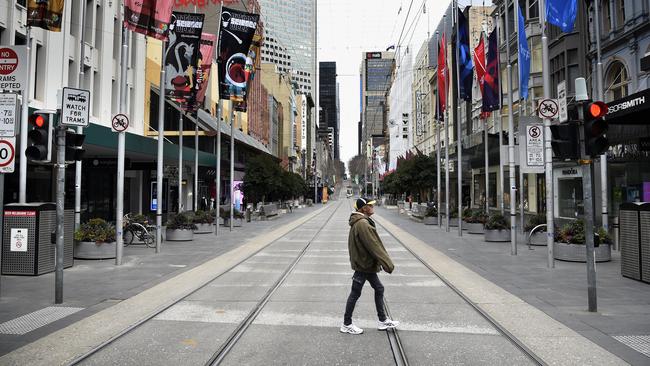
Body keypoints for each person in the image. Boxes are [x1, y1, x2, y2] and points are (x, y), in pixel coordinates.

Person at [340, 197, 399, 335]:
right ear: (363, 208)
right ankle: (346, 324)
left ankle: (382, 320)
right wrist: (387, 263)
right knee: (355, 293)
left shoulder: (362, 222)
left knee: (379, 288)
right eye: (370, 205)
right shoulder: (363, 224)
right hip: (364, 265)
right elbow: (374, 245)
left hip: (365, 264)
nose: (373, 207)